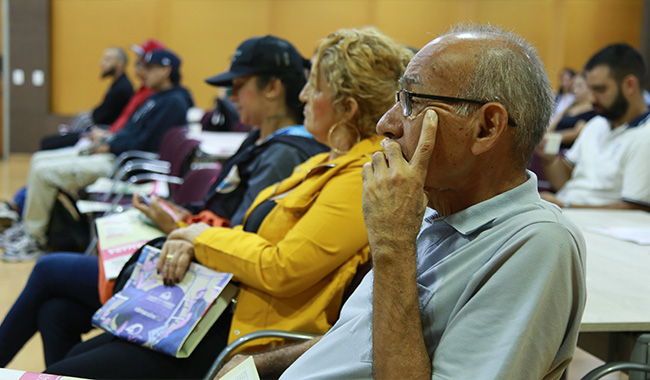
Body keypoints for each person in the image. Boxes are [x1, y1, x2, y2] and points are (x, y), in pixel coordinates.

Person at [216, 24, 586, 380]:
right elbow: (361, 336)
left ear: (486, 127)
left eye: (411, 102)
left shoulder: (537, 245)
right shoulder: (430, 207)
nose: (386, 124)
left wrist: (392, 244)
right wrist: (261, 366)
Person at [44, 27, 412, 379]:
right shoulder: (325, 161)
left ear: (347, 108)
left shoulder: (360, 177)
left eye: (313, 88)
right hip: (220, 303)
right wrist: (193, 240)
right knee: (57, 315)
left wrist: (197, 238)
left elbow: (281, 267)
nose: (302, 96)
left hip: (245, 334)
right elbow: (249, 233)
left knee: (62, 364)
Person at [0, 35, 327, 369]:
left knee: (48, 269)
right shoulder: (260, 139)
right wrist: (182, 218)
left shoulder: (285, 154)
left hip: (208, 285)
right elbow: (224, 213)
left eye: (238, 85)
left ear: (272, 89)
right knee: (56, 311)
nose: (229, 96)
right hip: (195, 257)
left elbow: (243, 240)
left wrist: (182, 228)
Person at [1, 49, 193, 262]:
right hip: (117, 154)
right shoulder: (157, 97)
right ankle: (29, 226)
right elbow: (131, 132)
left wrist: (109, 146)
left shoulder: (173, 102)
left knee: (45, 173)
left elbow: (146, 142)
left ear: (166, 71)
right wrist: (107, 139)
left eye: (149, 68)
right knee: (38, 159)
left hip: (124, 165)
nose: (143, 72)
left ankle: (35, 238)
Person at [540, 43, 650, 209]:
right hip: (570, 213)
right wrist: (549, 157)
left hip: (600, 226)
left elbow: (634, 209)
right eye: (590, 89)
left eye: (600, 89)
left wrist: (566, 205)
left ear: (630, 85)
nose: (592, 99)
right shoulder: (597, 123)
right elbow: (563, 182)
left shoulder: (645, 135)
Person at [39, 47, 135, 151]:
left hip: (102, 132)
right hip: (100, 129)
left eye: (107, 59)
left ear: (120, 64)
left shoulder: (123, 88)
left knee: (48, 142)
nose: (102, 63)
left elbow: (100, 116)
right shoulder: (118, 84)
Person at [545, 73, 597, 149]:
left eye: (580, 86)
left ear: (590, 88)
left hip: (567, 149)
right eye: (574, 86)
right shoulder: (571, 106)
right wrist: (544, 135)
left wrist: (550, 137)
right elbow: (555, 122)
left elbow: (577, 133)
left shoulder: (593, 111)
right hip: (552, 145)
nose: (575, 90)